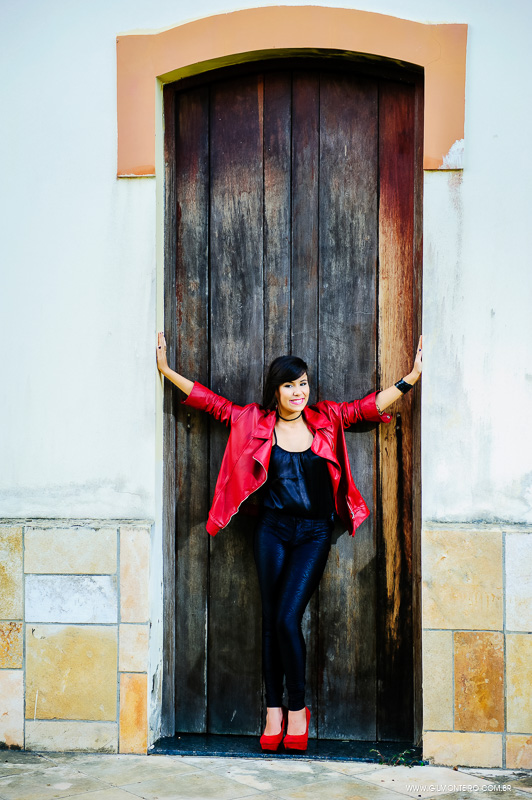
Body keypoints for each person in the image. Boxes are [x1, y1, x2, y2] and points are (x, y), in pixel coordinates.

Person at [156, 332, 422, 751]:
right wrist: (168, 372)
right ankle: (273, 712)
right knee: (270, 621)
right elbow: (214, 404)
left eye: (303, 384)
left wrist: (410, 379)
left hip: (314, 534)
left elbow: (365, 407)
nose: (299, 392)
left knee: (285, 618)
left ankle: (297, 709)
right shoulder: (255, 422)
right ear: (275, 391)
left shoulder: (326, 418)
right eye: (289, 385)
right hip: (272, 531)